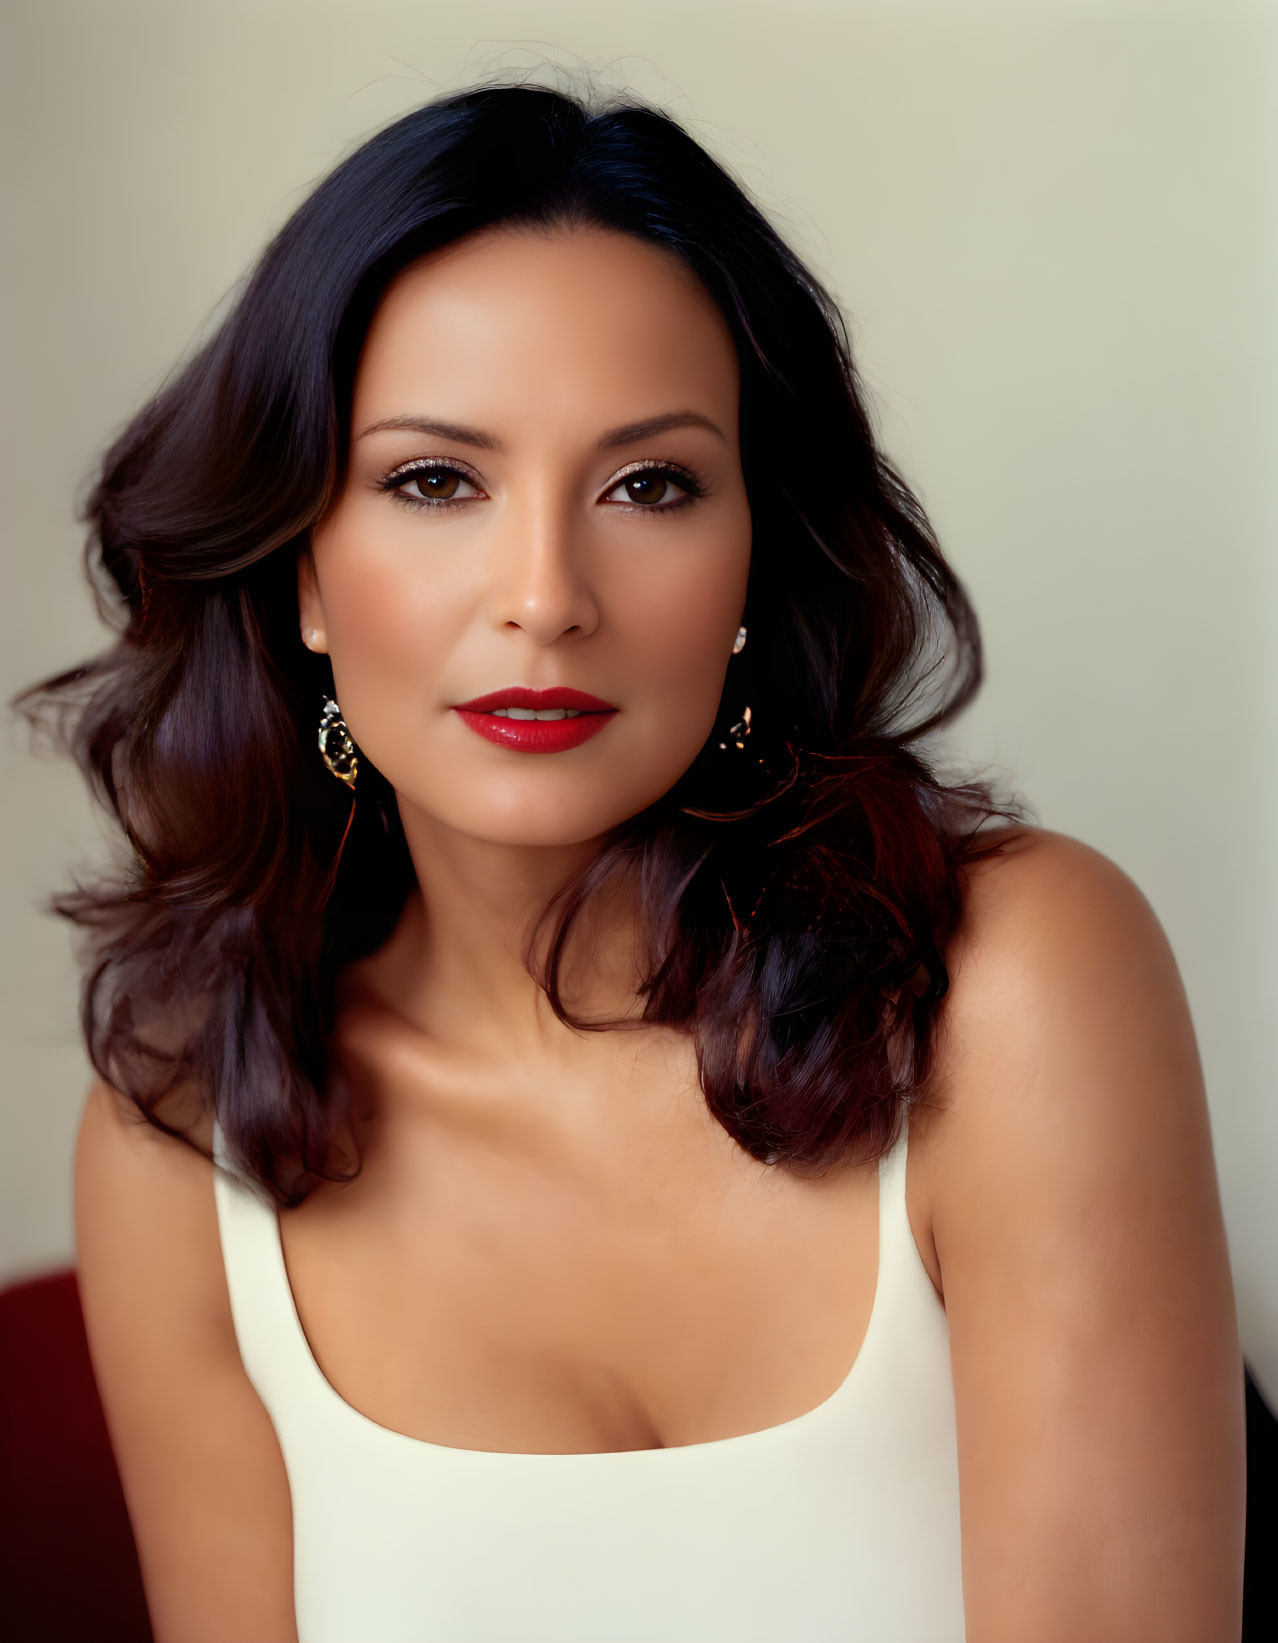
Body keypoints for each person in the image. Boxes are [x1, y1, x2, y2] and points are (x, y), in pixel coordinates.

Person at [14, 76, 1244, 1642]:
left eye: (648, 485)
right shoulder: (180, 1130)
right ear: (300, 574)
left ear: (751, 558)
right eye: (433, 481)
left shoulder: (1008, 985)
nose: (543, 594)